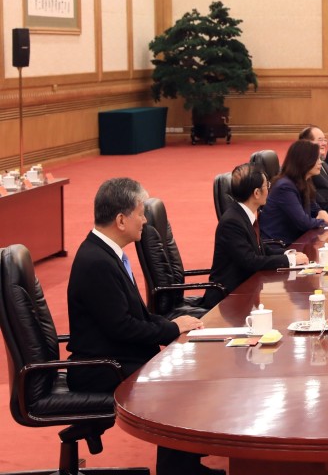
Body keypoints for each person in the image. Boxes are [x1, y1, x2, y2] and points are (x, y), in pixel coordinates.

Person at [66, 178, 219, 475]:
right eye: (140, 213)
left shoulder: (106, 253)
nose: (145, 220)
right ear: (121, 220)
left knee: (186, 363)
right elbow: (122, 327)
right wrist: (170, 330)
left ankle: (186, 464)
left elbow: (135, 315)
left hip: (115, 355)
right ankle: (178, 470)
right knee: (177, 377)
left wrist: (173, 325)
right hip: (100, 367)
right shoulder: (97, 262)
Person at [200, 164, 309, 309]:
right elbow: (250, 261)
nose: (269, 189)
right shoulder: (232, 222)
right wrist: (289, 260)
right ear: (257, 193)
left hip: (246, 290)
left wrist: (289, 254)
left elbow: (261, 248)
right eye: (267, 185)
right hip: (228, 298)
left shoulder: (244, 215)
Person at [260, 140, 328, 245]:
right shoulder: (284, 187)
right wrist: (325, 221)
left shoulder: (303, 180)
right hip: (281, 245)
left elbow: (312, 206)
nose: (320, 162)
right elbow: (303, 223)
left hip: (297, 240)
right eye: (316, 159)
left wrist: (320, 211)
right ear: (304, 161)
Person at [300, 125, 328, 211]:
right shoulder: (305, 166)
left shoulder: (323, 162)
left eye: (325, 140)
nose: (324, 143)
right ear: (307, 142)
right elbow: (313, 195)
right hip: (325, 212)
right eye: (320, 140)